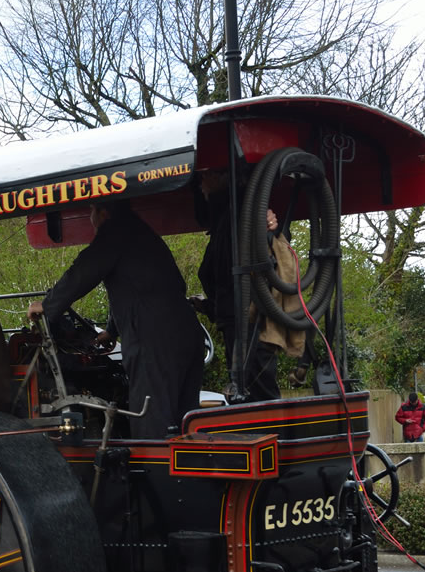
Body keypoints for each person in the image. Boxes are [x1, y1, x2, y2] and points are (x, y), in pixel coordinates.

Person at [28, 201, 203, 438]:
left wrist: (47, 306)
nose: (90, 217)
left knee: (152, 418)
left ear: (103, 212)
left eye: (91, 210)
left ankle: (152, 461)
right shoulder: (142, 233)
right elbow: (140, 289)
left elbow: (84, 271)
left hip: (155, 340)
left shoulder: (115, 231)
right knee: (185, 421)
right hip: (187, 331)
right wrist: (111, 331)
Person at [193, 170, 304, 401]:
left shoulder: (243, 214)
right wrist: (209, 306)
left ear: (222, 177)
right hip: (239, 321)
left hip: (250, 323)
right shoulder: (226, 219)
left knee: (257, 393)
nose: (201, 182)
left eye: (206, 174)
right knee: (249, 391)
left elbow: (236, 277)